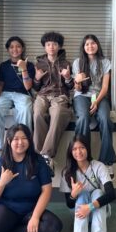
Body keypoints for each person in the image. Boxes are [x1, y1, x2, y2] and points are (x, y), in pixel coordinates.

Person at [60, 135, 116, 232]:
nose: (78, 152)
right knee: (82, 194)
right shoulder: (67, 172)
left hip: (99, 210)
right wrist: (73, 194)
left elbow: (112, 194)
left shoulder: (99, 166)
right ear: (70, 152)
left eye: (82, 147)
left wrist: (90, 207)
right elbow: (69, 204)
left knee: (98, 192)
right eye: (74, 149)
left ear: (88, 149)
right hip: (79, 211)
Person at [72, 34, 116, 179]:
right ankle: (82, 159)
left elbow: (105, 87)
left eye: (93, 43)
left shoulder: (105, 62)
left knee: (105, 119)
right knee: (83, 118)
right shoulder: (78, 62)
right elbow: (78, 89)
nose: (90, 46)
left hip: (99, 96)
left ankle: (107, 162)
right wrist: (77, 82)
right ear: (83, 47)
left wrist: (96, 101)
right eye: (87, 44)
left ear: (97, 45)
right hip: (82, 96)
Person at [0, 36, 35, 163]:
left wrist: (24, 68)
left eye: (18, 46)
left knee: (26, 109)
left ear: (22, 48)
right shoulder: (4, 65)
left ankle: (24, 147)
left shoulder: (29, 65)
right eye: (12, 47)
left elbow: (28, 86)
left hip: (22, 94)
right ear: (8, 49)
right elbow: (1, 84)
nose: (15, 49)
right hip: (6, 94)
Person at [33, 31, 74, 176]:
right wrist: (37, 79)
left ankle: (47, 155)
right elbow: (35, 87)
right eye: (48, 44)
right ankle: (38, 156)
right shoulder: (38, 64)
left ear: (59, 46)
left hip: (60, 96)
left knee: (57, 113)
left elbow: (71, 87)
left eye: (54, 44)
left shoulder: (66, 64)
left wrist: (68, 78)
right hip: (42, 95)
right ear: (44, 47)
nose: (51, 47)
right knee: (38, 114)